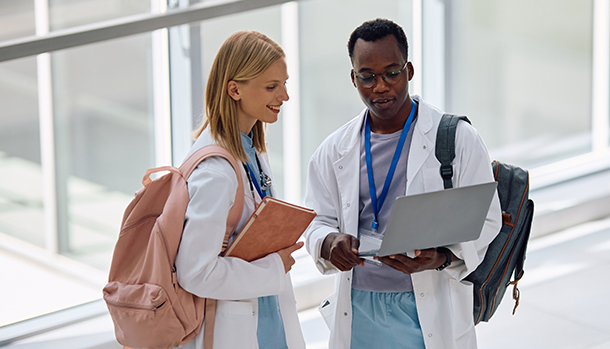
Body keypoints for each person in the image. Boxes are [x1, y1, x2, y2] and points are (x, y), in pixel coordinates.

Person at [303, 18, 502, 348]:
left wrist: (440, 258)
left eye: (391, 73)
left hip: (429, 304)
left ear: (408, 71)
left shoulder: (457, 138)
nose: (380, 86)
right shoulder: (334, 149)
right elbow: (315, 220)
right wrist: (328, 242)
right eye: (367, 77)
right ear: (354, 79)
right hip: (358, 307)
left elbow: (487, 219)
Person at [175, 30, 306, 349]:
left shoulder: (252, 150)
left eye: (284, 83)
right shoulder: (216, 171)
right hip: (236, 330)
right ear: (234, 89)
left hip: (266, 321)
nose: (284, 97)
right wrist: (274, 268)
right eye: (272, 87)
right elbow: (195, 272)